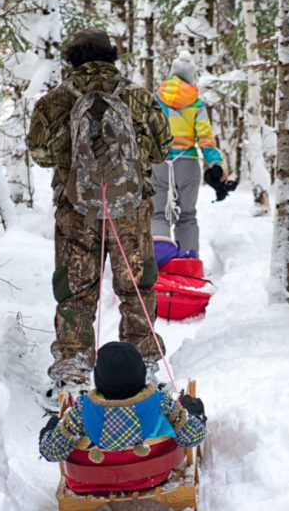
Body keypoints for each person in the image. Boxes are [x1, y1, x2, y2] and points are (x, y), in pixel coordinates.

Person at [26, 29, 173, 402]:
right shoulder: (138, 96)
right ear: (112, 56)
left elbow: (40, 155)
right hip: (130, 209)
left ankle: (72, 374)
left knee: (75, 292)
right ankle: (145, 365)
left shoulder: (54, 101)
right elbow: (161, 150)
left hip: (76, 211)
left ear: (71, 58)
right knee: (136, 287)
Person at [39, 342, 207, 493]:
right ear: (141, 375)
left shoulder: (81, 411)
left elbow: (52, 451)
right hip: (151, 478)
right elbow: (193, 436)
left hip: (88, 482)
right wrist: (192, 411)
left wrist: (51, 427)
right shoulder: (161, 404)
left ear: (98, 378)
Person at [150, 51, 228, 257]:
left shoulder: (154, 100)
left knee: (158, 214)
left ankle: (161, 263)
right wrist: (216, 164)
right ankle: (188, 262)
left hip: (158, 164)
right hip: (188, 165)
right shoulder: (197, 104)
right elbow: (206, 138)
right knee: (187, 216)